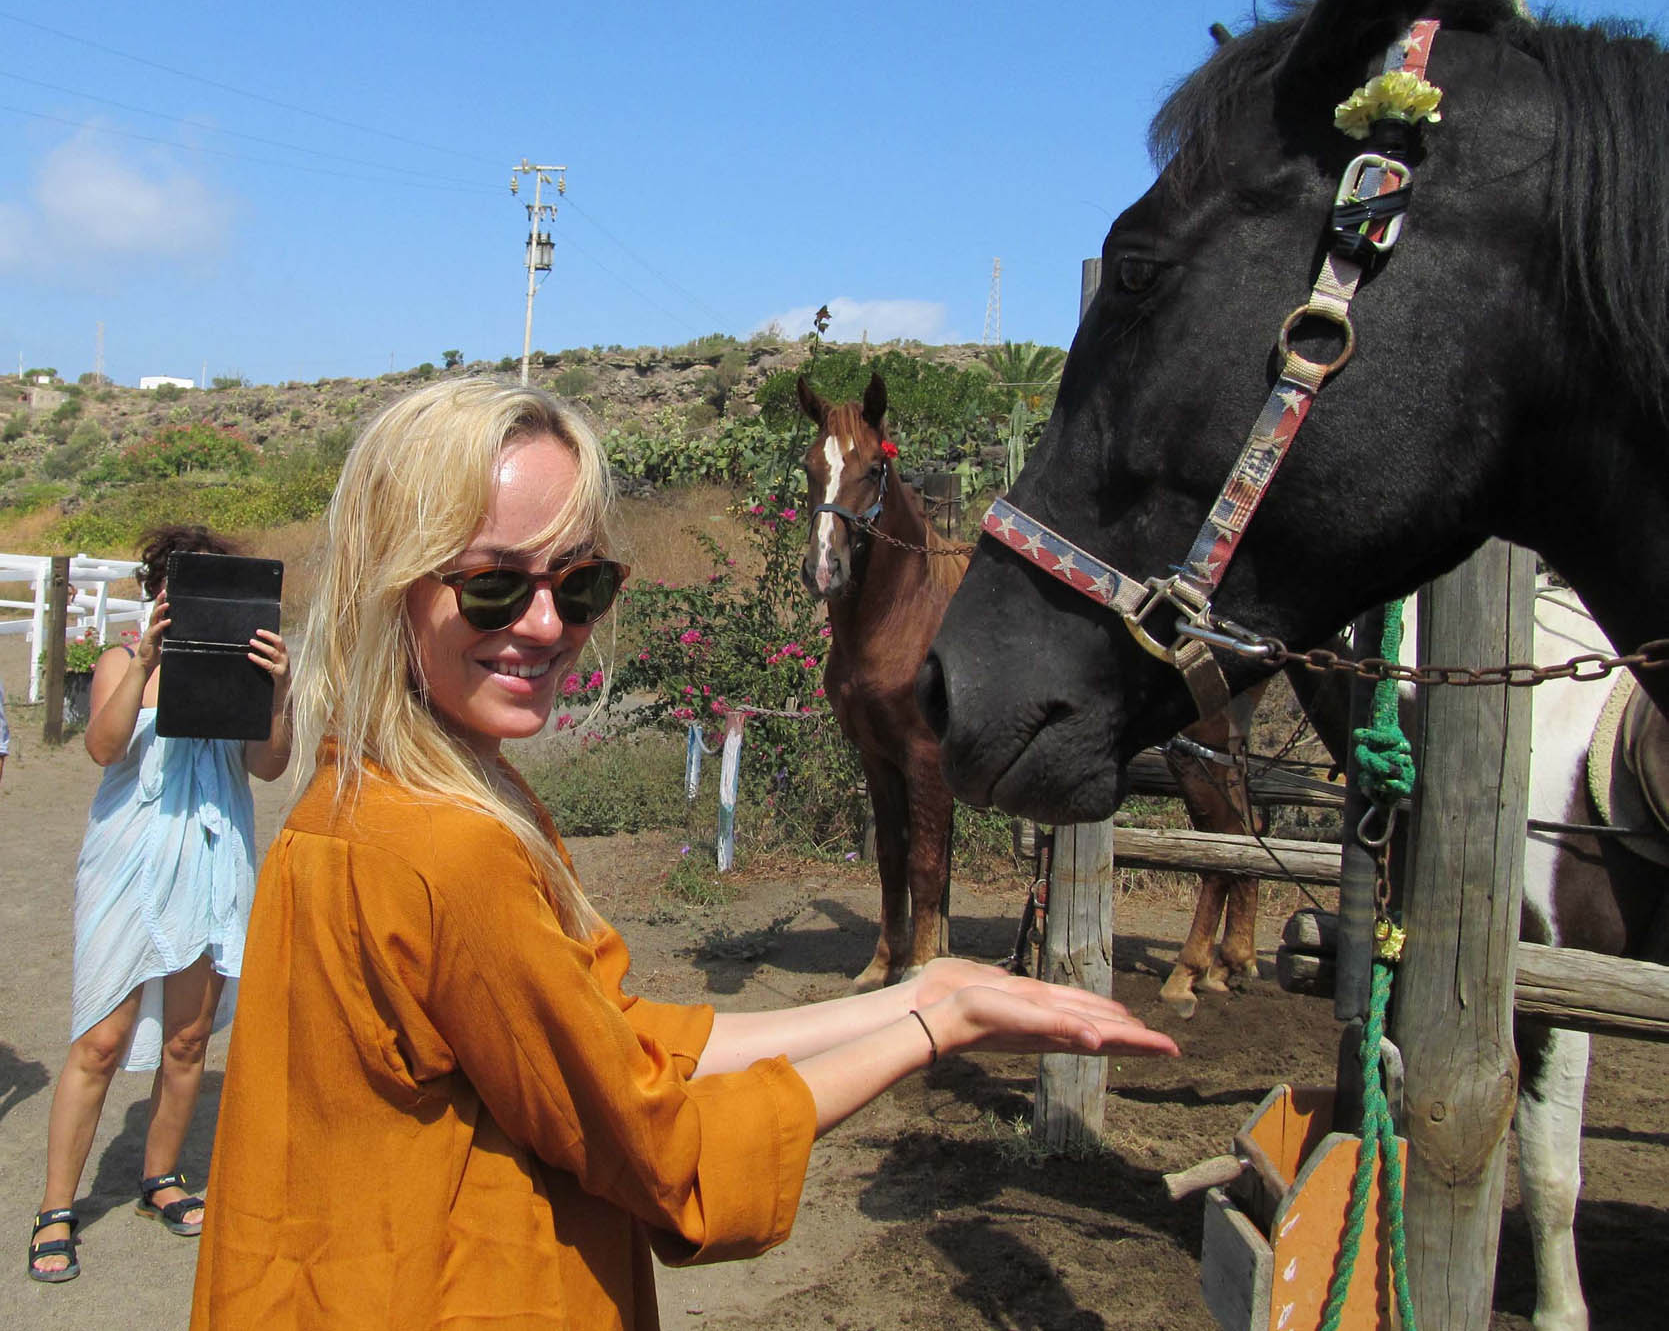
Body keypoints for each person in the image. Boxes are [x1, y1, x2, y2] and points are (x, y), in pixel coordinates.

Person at [189, 377, 1177, 1330]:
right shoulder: (448, 847)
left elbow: (598, 1037)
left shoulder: (368, 799)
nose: (547, 624)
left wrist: (910, 995)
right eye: (492, 586)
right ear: (387, 580)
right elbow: (661, 1147)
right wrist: (936, 1027)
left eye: (581, 583)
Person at [28, 524, 292, 1284]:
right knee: (100, 1042)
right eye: (176, 589)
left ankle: (160, 1178)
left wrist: (277, 693)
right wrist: (146, 659)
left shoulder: (245, 669)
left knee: (188, 1039)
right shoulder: (122, 659)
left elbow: (268, 768)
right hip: (128, 865)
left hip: (211, 861)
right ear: (154, 592)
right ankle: (55, 1207)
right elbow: (103, 748)